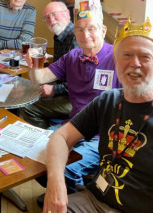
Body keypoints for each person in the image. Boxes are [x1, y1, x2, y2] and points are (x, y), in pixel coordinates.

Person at [43, 19, 153, 213]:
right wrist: (56, 184)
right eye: (126, 55)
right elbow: (60, 137)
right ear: (116, 60)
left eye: (145, 57)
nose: (134, 63)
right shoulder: (108, 101)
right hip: (93, 200)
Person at [27, 10, 121, 193]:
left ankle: (75, 200)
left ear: (103, 30)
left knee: (66, 169)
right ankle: (67, 194)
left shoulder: (117, 57)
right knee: (33, 157)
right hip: (73, 127)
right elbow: (40, 78)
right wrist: (34, 64)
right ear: (74, 33)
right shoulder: (72, 56)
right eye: (79, 30)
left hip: (104, 136)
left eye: (91, 29)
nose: (85, 35)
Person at [19, 1, 77, 129]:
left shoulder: (75, 39)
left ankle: (42, 141)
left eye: (55, 14)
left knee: (28, 107)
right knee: (26, 92)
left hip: (75, 98)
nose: (51, 19)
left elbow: (80, 83)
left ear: (67, 14)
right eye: (47, 17)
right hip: (64, 89)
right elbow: (60, 71)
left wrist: (54, 90)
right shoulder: (60, 36)